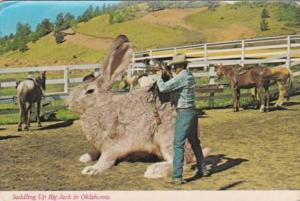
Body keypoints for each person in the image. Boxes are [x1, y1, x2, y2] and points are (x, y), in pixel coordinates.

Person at [156, 54, 210, 184]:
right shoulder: (189, 75)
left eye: (175, 66)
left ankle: (177, 176)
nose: (174, 68)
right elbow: (178, 82)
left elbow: (163, 88)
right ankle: (203, 169)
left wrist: (158, 77)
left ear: (179, 66)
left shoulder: (182, 77)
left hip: (184, 113)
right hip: (192, 112)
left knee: (178, 145)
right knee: (195, 142)